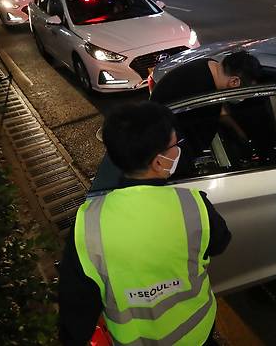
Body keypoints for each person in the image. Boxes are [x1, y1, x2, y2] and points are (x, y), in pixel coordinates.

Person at [59, 102, 231, 346]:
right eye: (175, 145)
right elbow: (221, 242)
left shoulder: (87, 224)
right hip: (198, 335)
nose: (178, 150)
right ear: (159, 162)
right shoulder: (193, 205)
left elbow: (76, 309)